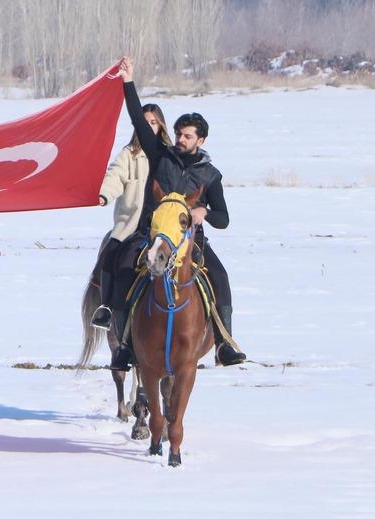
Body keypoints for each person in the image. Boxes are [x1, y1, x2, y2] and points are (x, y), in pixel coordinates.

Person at [109, 56, 246, 371]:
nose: (181, 140)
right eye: (180, 134)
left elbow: (224, 219)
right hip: (152, 236)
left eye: (188, 136)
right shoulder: (161, 156)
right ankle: (124, 346)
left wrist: (204, 211)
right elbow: (137, 120)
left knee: (221, 277)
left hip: (191, 244)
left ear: (201, 140)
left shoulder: (210, 174)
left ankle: (224, 343)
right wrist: (128, 82)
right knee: (126, 271)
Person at [90, 103, 172, 330]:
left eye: (153, 122)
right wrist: (104, 195)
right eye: (145, 122)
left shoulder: (170, 156)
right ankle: (106, 308)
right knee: (110, 254)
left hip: (164, 226)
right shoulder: (129, 154)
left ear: (161, 126)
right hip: (132, 224)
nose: (149, 126)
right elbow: (115, 175)